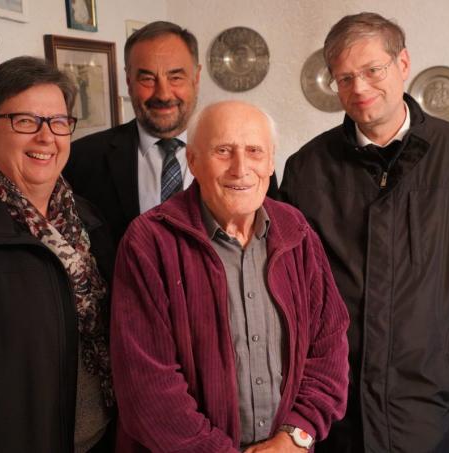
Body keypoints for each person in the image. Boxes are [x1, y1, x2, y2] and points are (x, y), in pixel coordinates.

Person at [280, 12, 449, 452]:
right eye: (345, 78)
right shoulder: (306, 169)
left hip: (429, 405)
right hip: (334, 407)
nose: (360, 89)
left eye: (373, 71)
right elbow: (290, 296)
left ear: (403, 63)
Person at [110, 101, 349, 452]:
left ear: (270, 162)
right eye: (223, 151)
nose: (241, 168)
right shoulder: (149, 241)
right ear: (193, 161)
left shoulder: (295, 230)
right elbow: (146, 387)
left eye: (254, 151)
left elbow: (329, 347)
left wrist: (293, 438)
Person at [0, 56, 117, 452]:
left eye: (58, 122)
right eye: (26, 121)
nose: (46, 137)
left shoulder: (88, 219)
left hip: (102, 441)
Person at [64, 21, 279, 249]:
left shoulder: (251, 165)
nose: (163, 94)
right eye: (147, 79)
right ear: (129, 82)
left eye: (175, 77)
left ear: (196, 78)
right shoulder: (82, 159)